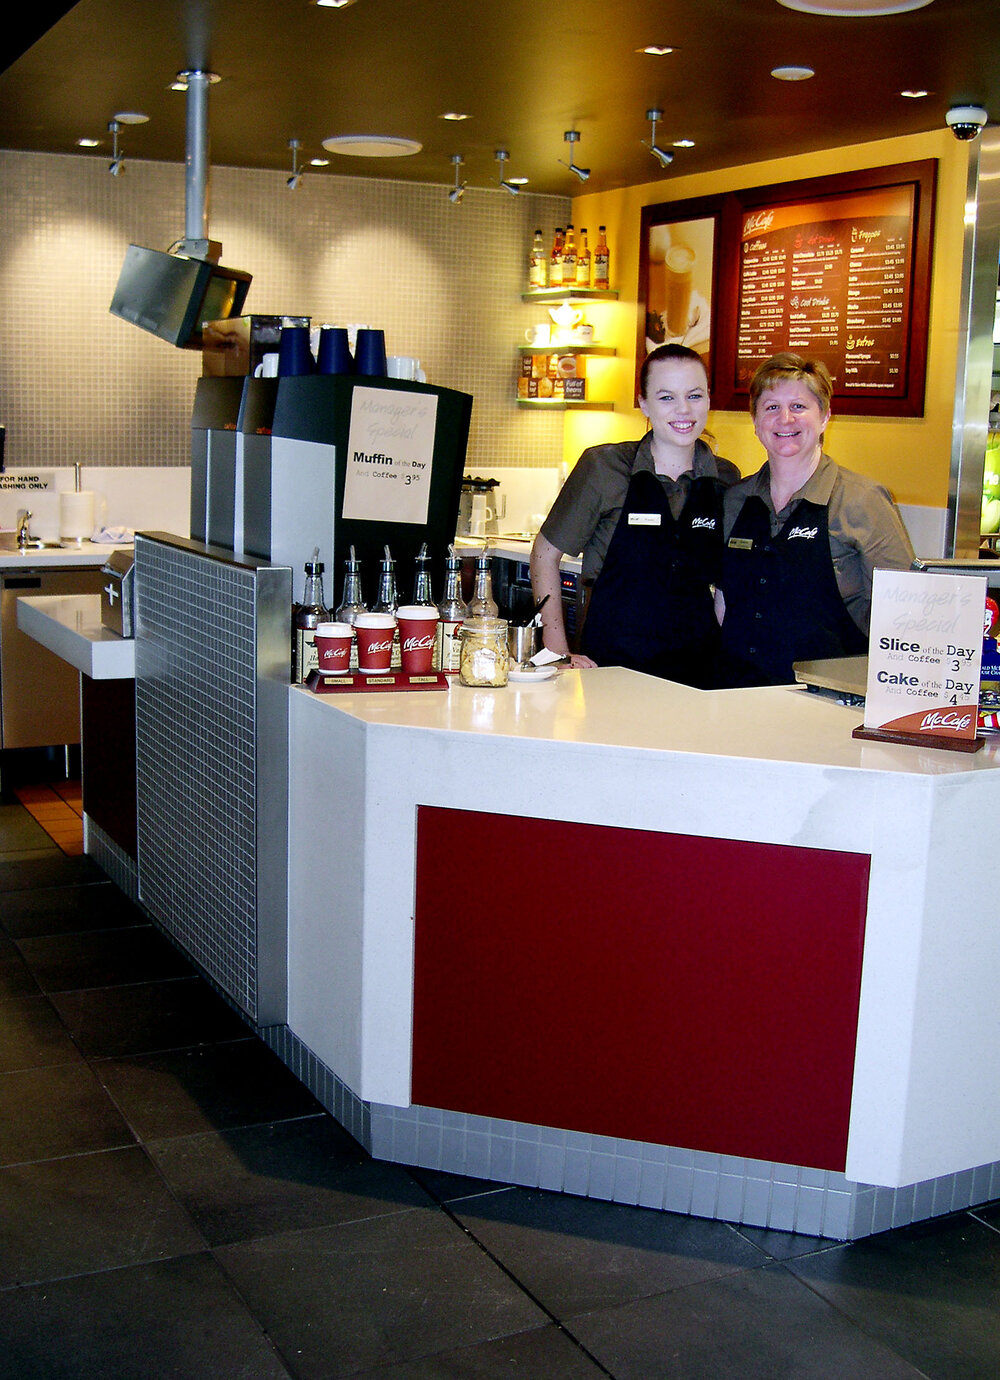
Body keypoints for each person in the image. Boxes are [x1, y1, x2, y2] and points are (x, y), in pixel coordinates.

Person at [530, 344, 740, 687]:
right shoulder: (604, 467)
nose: (684, 410)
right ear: (643, 402)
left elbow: (724, 584)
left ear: (708, 400)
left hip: (697, 669)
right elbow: (543, 554)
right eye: (666, 397)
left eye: (695, 395)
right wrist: (556, 652)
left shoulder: (725, 477)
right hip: (613, 664)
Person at [715, 352, 915, 688]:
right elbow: (723, 603)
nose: (785, 419)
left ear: (824, 417)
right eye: (771, 407)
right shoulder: (735, 499)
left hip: (830, 700)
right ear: (755, 421)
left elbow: (905, 614)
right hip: (737, 695)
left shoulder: (861, 499)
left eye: (798, 406)